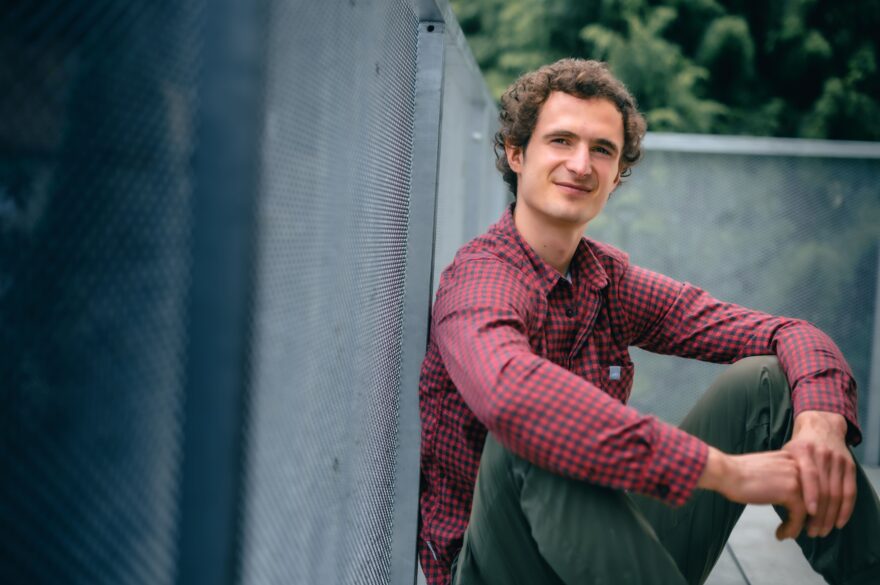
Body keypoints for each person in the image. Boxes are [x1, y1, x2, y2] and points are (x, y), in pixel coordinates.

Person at [417, 58, 880, 585]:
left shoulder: (606, 280)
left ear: (617, 176)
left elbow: (788, 333)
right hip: (498, 567)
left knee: (767, 385)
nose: (581, 164)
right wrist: (724, 472)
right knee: (533, 434)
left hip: (603, 555)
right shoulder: (479, 278)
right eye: (561, 141)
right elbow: (511, 397)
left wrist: (820, 422)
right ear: (518, 155)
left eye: (602, 150)